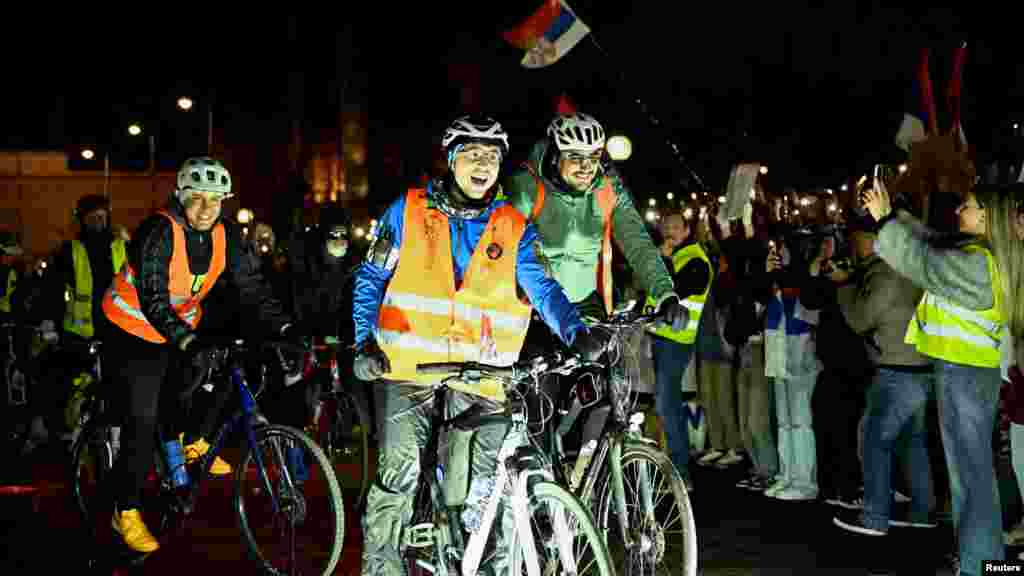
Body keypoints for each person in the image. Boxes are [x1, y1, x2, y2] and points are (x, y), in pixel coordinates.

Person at [353, 115, 608, 575]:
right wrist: (363, 342)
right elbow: (371, 277)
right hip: (407, 366)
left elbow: (543, 289)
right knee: (400, 476)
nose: (483, 164)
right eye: (472, 154)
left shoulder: (513, 224)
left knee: (488, 486)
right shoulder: (406, 210)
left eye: (492, 156)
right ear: (451, 161)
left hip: (483, 373)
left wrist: (576, 331)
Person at [101, 157, 301, 554]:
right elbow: (155, 300)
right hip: (131, 328)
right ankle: (125, 510)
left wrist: (285, 329)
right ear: (179, 196)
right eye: (196, 198)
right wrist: (187, 341)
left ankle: (190, 440)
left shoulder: (226, 235)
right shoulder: (158, 231)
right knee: (141, 420)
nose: (206, 209)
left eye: (216, 199)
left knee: (216, 369)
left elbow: (253, 288)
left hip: (177, 329)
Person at [504, 112, 687, 474]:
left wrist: (665, 294)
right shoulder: (527, 186)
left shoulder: (607, 188)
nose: (586, 166)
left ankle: (593, 475)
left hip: (588, 309)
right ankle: (541, 488)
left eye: (593, 157)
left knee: (611, 393)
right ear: (555, 155)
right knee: (540, 407)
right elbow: (505, 246)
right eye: (575, 156)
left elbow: (636, 241)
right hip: (535, 313)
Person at [862, 180, 1023, 575]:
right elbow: (931, 244)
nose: (958, 211)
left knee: (971, 479)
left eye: (966, 206)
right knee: (971, 477)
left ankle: (981, 566)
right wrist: (896, 215)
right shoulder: (981, 257)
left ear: (987, 216)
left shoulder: (979, 265)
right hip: (964, 373)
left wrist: (886, 220)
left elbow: (926, 262)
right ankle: (981, 562)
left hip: (964, 374)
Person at [828, 210, 934, 535]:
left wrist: (843, 286)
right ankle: (922, 512)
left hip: (896, 369)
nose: (856, 246)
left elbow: (861, 319)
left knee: (874, 440)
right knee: (912, 442)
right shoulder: (908, 268)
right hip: (918, 366)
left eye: (860, 240)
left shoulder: (886, 275)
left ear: (877, 241)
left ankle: (875, 516)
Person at [645, 211, 711, 489]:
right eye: (665, 227)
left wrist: (666, 260)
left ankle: (680, 472)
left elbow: (675, 291)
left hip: (676, 341)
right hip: (662, 338)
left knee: (667, 404)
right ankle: (676, 470)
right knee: (665, 404)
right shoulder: (677, 256)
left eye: (675, 227)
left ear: (687, 231)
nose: (669, 231)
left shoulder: (695, 259)